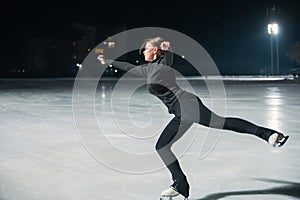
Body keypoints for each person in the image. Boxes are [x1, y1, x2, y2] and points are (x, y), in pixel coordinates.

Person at [97, 36, 289, 199]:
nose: (143, 53)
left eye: (146, 50)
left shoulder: (163, 64)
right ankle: (180, 184)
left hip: (186, 105)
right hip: (182, 110)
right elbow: (128, 67)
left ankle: (269, 135)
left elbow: (168, 58)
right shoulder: (148, 69)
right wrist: (108, 61)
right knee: (166, 145)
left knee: (220, 124)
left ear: (155, 50)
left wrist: (168, 49)